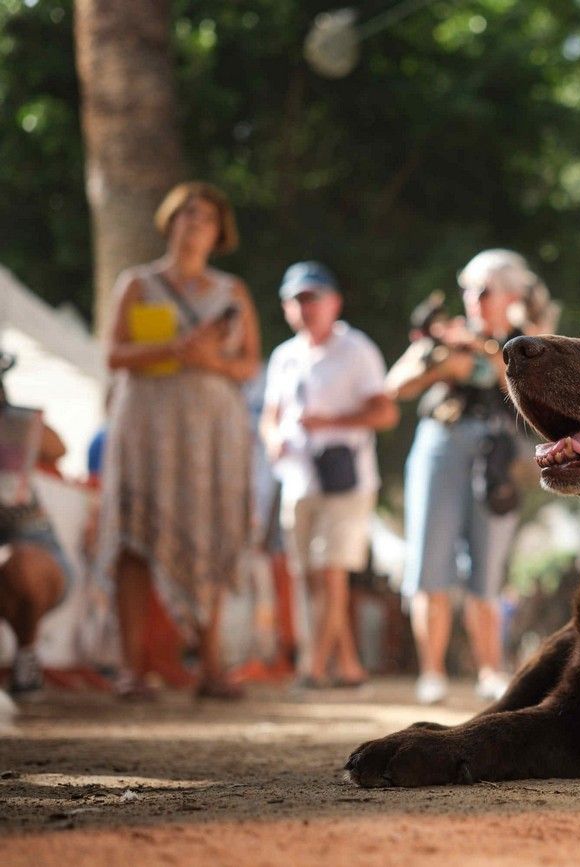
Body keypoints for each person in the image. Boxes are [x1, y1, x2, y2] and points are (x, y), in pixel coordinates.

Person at [100, 181, 260, 700]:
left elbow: (249, 365)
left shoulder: (232, 291)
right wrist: (174, 347)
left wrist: (210, 361)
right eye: (188, 213)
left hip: (211, 430)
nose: (196, 223)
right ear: (170, 220)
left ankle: (211, 665)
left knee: (210, 531)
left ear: (219, 232)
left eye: (208, 217)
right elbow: (114, 355)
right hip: (147, 422)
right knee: (135, 535)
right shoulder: (137, 282)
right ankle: (132, 667)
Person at [388, 250, 540, 705]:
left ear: (511, 294)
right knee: (430, 558)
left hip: (498, 455)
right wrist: (440, 361)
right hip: (441, 444)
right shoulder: (444, 334)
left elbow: (525, 390)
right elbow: (395, 386)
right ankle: (431, 673)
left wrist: (481, 354)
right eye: (470, 289)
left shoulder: (523, 340)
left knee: (488, 563)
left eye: (485, 289)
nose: (474, 298)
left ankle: (490, 671)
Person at [261, 262, 397, 689]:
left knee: (331, 570)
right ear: (286, 307)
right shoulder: (284, 357)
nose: (307, 307)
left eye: (313, 298)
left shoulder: (357, 349)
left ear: (333, 302)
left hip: (346, 478)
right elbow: (270, 416)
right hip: (297, 479)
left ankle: (312, 667)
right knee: (308, 575)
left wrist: (330, 421)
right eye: (298, 300)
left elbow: (385, 412)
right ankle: (349, 665)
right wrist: (271, 442)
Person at [0, 356, 71, 698]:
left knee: (20, 563)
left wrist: (9, 419)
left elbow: (58, 447)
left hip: (31, 550)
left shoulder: (15, 425)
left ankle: (26, 655)